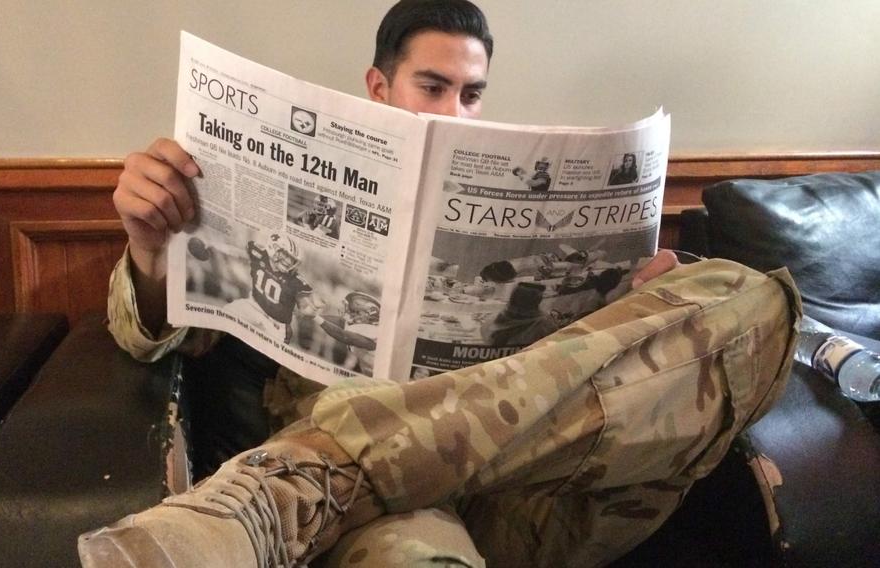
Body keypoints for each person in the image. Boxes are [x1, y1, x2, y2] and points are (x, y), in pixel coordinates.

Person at [83, 1, 798, 567]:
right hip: (391, 519)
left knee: (754, 298)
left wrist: (637, 315)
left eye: (472, 93)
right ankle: (327, 481)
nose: (454, 110)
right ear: (378, 84)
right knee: (412, 554)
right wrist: (150, 251)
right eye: (433, 86)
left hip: (536, 493)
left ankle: (302, 477)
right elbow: (150, 340)